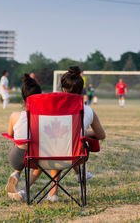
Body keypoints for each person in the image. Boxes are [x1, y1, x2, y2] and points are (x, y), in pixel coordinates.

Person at [9, 67, 106, 202]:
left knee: (56, 145)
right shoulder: (89, 111)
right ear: (82, 90)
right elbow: (101, 135)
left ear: (63, 89)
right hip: (75, 158)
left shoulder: (48, 109)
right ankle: (56, 190)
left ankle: (37, 192)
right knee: (65, 146)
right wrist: (83, 132)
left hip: (42, 156)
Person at [5, 74, 42, 200]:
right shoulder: (44, 118)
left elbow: (10, 135)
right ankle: (23, 191)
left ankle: (17, 172)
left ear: (23, 99)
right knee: (39, 168)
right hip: (35, 156)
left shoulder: (14, 115)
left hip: (16, 156)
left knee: (17, 144)